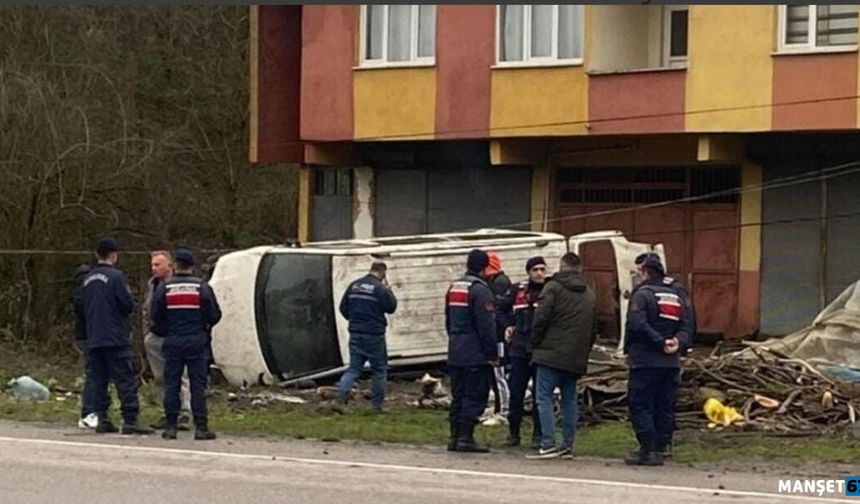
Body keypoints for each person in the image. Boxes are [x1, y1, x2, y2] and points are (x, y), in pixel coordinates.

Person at [77, 237, 153, 435]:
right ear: (114, 255)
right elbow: (127, 304)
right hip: (115, 336)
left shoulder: (86, 279)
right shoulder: (116, 277)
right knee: (124, 379)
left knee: (99, 380)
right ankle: (130, 419)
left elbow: (79, 305)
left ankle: (103, 419)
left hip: (93, 336)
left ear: (96, 254)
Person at [527, 253, 597, 460]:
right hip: (575, 356)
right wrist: (583, 351)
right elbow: (593, 329)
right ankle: (567, 446)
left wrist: (534, 344)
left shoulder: (553, 288)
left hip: (550, 352)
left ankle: (548, 443)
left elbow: (540, 319)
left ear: (561, 266)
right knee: (569, 400)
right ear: (579, 269)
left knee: (543, 397)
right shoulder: (589, 294)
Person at [624, 253, 691, 466]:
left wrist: (659, 342)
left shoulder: (642, 295)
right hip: (670, 363)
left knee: (640, 404)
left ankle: (647, 448)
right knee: (664, 405)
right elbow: (686, 325)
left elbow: (637, 324)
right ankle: (662, 447)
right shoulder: (676, 295)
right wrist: (677, 342)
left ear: (644, 271)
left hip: (645, 361)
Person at [150, 248, 222, 440]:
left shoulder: (164, 288)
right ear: (192, 266)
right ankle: (201, 428)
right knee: (197, 385)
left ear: (175, 265)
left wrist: (166, 331)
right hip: (196, 340)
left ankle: (171, 427)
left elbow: (155, 316)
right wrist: (202, 328)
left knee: (171, 383)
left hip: (173, 340)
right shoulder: (202, 287)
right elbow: (215, 315)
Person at [445, 249, 498, 453]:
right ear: (485, 267)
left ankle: (454, 437)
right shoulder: (480, 290)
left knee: (458, 395)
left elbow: (448, 320)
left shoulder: (454, 287)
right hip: (475, 353)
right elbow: (486, 326)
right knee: (474, 395)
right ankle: (466, 438)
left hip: (455, 349)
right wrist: (492, 353)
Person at [333, 261, 398, 412]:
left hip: (356, 333)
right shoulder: (380, 288)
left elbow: (343, 308)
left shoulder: (354, 285)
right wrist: (390, 291)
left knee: (353, 369)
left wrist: (355, 321)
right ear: (383, 272)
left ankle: (339, 401)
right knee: (379, 370)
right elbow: (391, 307)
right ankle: (377, 406)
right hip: (374, 335)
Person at [142, 250, 192, 430]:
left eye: (157, 265)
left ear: (169, 265)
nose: (153, 268)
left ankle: (184, 412)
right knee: (160, 376)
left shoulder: (178, 285)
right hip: (156, 336)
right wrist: (147, 334)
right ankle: (167, 412)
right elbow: (147, 310)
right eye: (152, 264)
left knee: (181, 375)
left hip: (176, 335)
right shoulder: (152, 285)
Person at [504, 256, 547, 447]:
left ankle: (538, 435)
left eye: (542, 269)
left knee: (540, 395)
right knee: (516, 393)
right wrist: (508, 325)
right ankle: (513, 433)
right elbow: (500, 308)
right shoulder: (517, 290)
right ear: (528, 272)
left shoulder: (550, 290)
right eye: (535, 270)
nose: (539, 273)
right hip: (519, 349)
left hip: (540, 350)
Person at [483, 252, 512, 424]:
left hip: (499, 336)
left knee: (499, 373)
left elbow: (498, 311)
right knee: (495, 374)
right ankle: (499, 406)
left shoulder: (499, 284)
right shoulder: (495, 282)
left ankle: (504, 410)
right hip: (497, 335)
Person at [72, 264, 99, 430]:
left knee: (94, 372)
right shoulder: (83, 293)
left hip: (87, 334)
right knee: (93, 372)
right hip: (90, 335)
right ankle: (89, 411)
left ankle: (94, 410)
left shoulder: (79, 293)